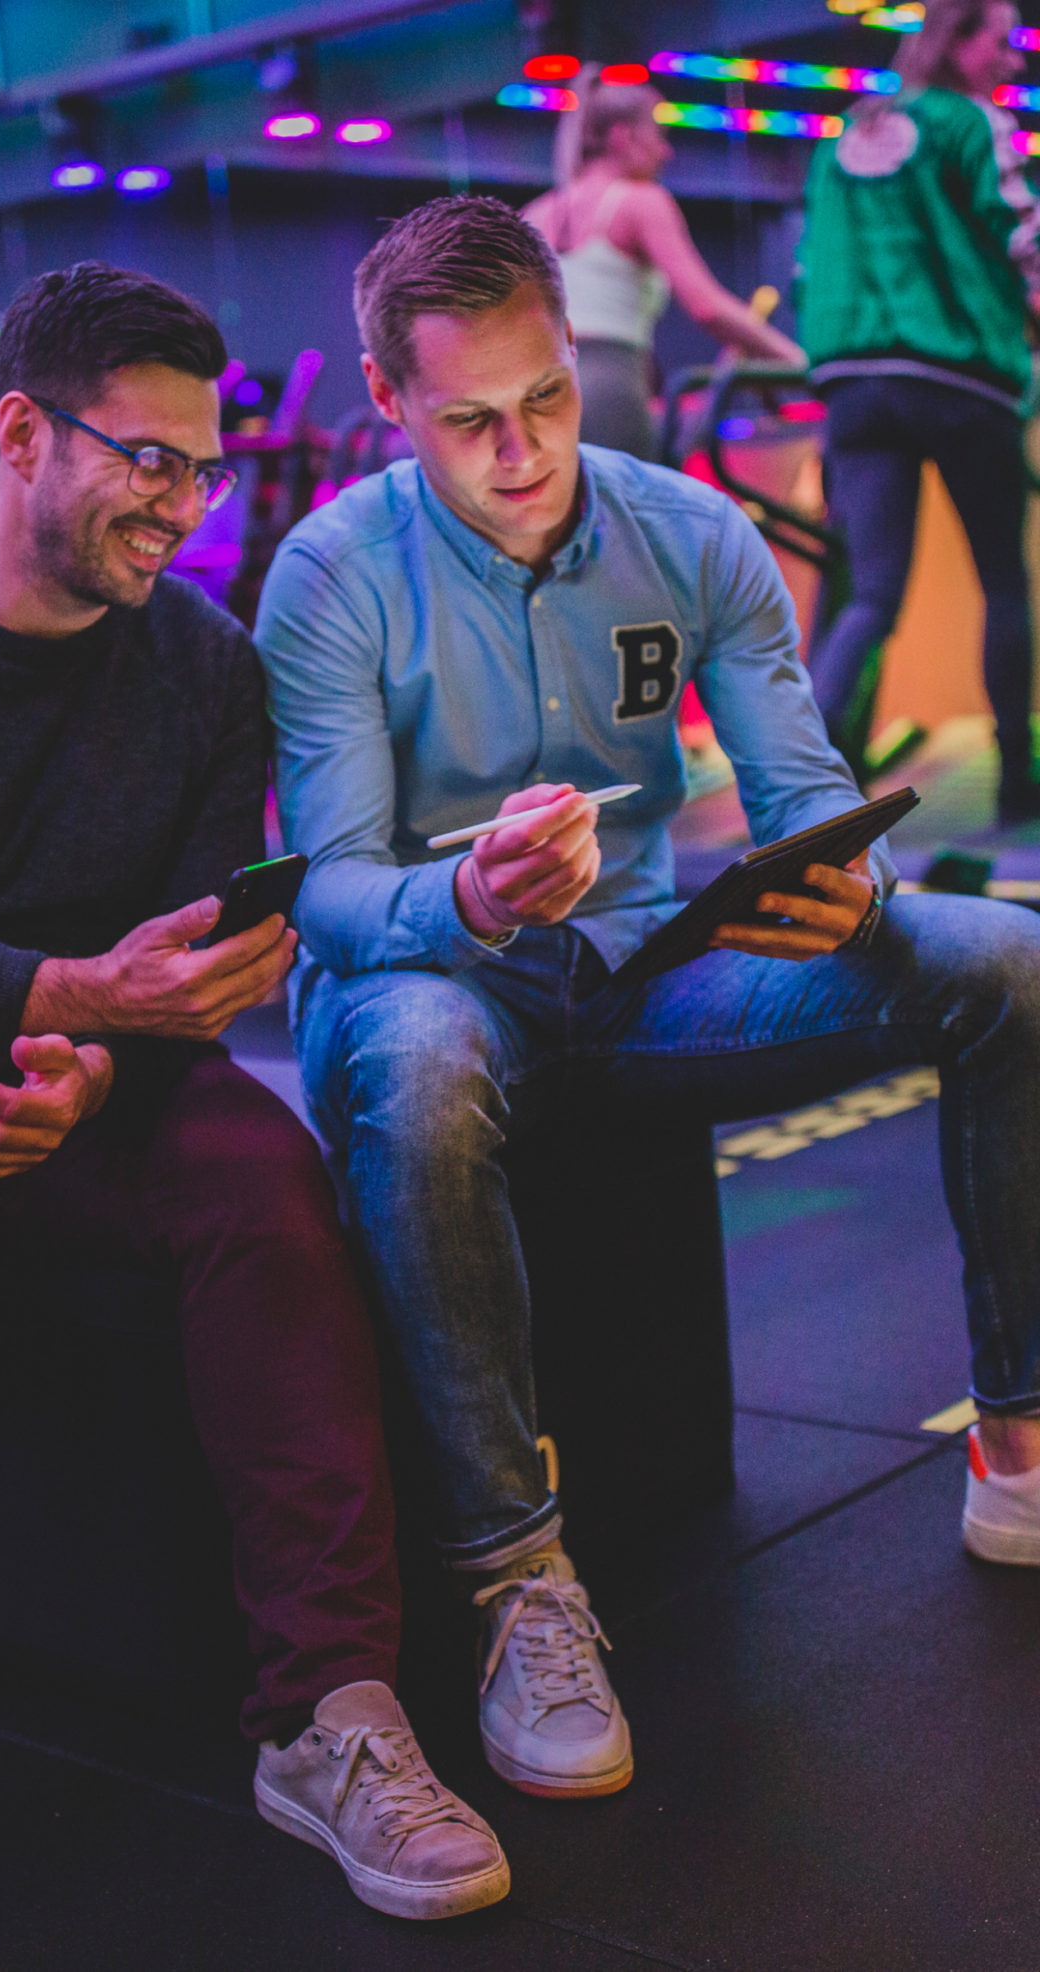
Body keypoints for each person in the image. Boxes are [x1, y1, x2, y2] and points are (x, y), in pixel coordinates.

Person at [0, 262, 509, 1927]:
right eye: (146, 461)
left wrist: (90, 1060)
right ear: (19, 434)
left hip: (80, 1055)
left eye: (200, 471)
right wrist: (64, 1000)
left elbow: (190, 946)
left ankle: (329, 1711)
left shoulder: (202, 663)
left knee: (268, 1194)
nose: (183, 508)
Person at [255, 194, 1040, 1804]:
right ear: (389, 399)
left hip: (640, 971)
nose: (524, 450)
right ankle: (518, 1581)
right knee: (408, 1059)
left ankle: (1015, 1440)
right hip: (423, 983)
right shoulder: (331, 572)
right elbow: (327, 892)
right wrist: (460, 898)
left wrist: (846, 886)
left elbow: (803, 793)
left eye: (547, 400)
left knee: (1011, 959)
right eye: (471, 421)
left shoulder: (690, 530)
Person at [798, 0, 1040, 821]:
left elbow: (814, 256)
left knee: (871, 595)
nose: (1013, 64)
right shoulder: (971, 121)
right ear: (962, 42)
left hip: (855, 380)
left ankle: (811, 788)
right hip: (962, 375)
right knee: (1003, 582)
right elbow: (1024, 239)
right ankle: (1018, 787)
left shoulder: (851, 128)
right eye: (1003, 45)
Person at [522, 66, 804, 459]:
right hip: (609, 395)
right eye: (659, 136)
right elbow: (707, 307)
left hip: (536, 396)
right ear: (624, 136)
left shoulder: (535, 214)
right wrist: (796, 359)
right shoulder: (641, 201)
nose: (666, 151)